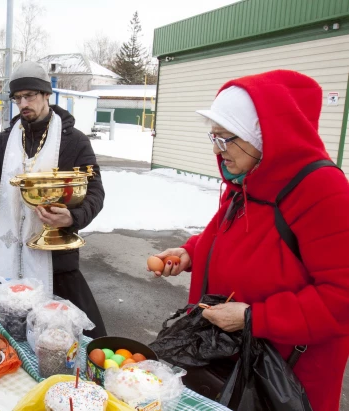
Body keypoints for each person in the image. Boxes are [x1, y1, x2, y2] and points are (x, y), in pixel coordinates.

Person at [148, 70, 349, 410]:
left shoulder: (324, 192)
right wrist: (191, 252)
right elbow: (230, 234)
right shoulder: (250, 179)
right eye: (214, 137)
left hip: (282, 379)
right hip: (227, 360)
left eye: (226, 138)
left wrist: (255, 318)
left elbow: (341, 295)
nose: (217, 149)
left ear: (267, 136)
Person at [0, 61, 107, 338]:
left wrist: (73, 217)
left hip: (56, 257)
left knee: (77, 339)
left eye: (30, 96)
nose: (23, 103)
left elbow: (95, 191)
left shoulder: (73, 141)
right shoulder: (9, 138)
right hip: (10, 253)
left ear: (46, 95)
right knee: (11, 333)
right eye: (18, 98)